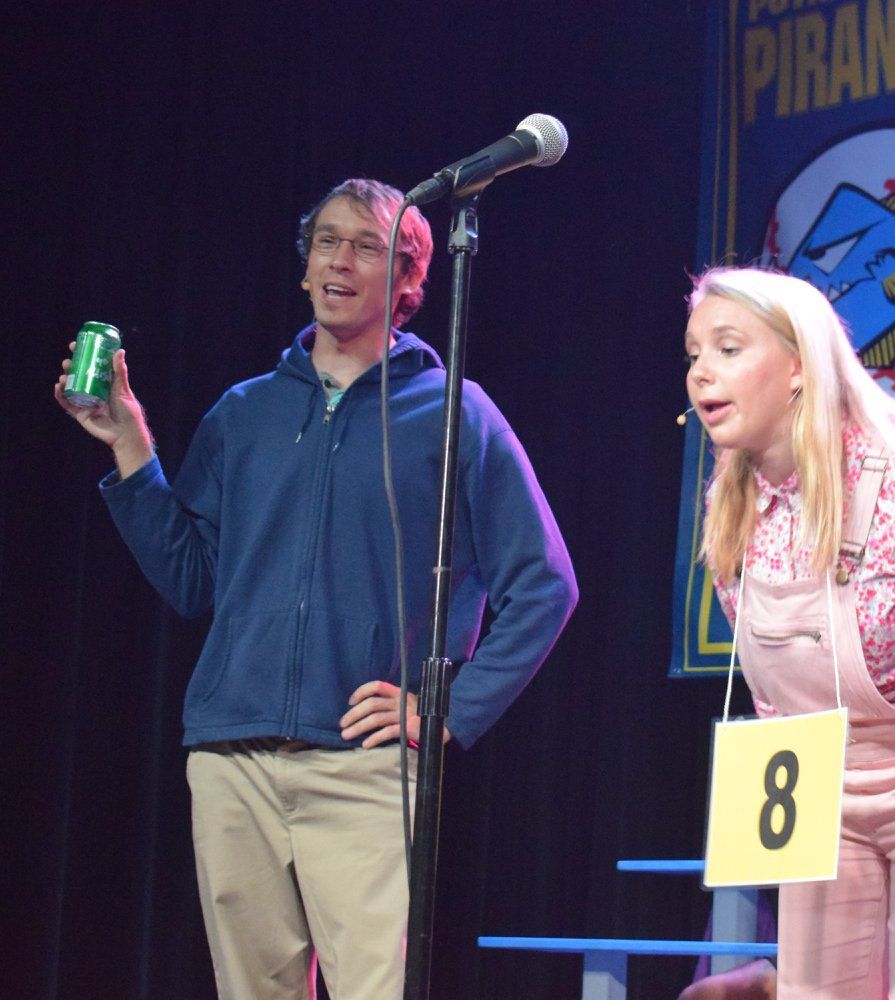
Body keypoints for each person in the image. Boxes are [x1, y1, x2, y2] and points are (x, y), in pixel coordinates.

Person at [54, 177, 578, 999]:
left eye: (368, 246)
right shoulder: (244, 412)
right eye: (326, 242)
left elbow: (544, 586)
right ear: (304, 269)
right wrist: (131, 448)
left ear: (408, 281)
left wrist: (447, 709)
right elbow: (193, 580)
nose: (340, 260)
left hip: (363, 767)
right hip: (232, 759)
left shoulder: (455, 413)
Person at [687, 267, 895, 999]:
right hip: (816, 786)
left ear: (799, 366)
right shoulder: (730, 502)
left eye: (728, 349)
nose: (701, 371)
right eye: (694, 354)